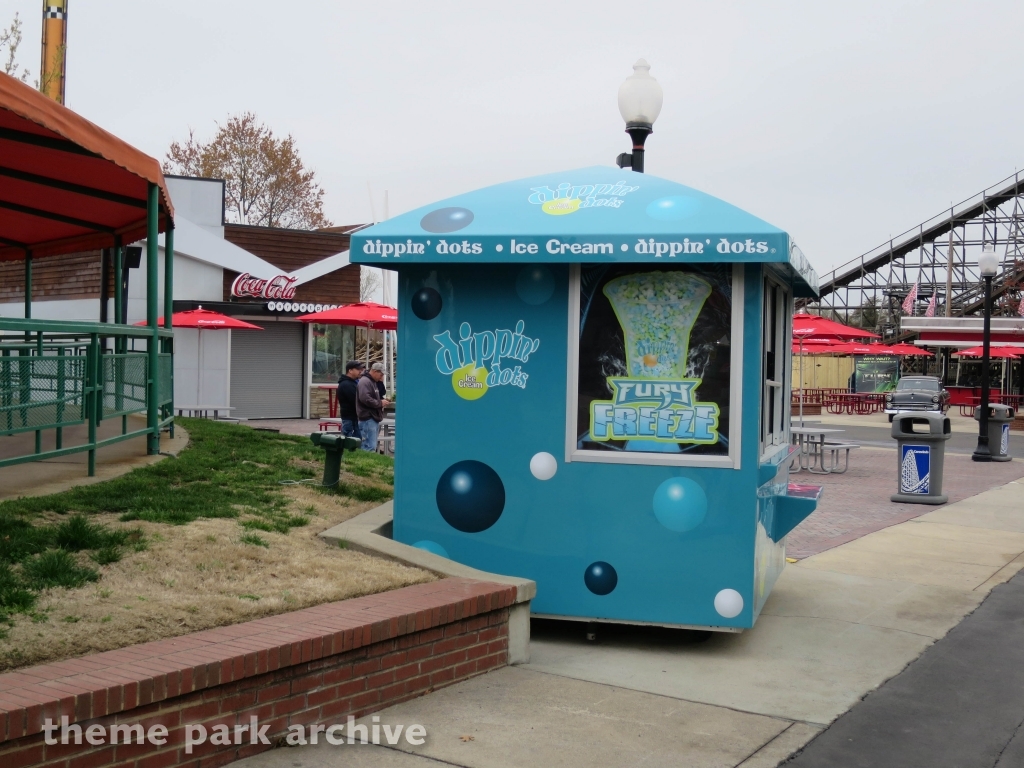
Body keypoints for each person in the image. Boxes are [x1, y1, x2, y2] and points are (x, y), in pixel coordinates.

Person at [357, 362, 391, 451]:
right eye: (381, 374)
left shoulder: (372, 381)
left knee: (371, 445)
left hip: (372, 418)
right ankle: (364, 460)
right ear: (375, 371)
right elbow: (365, 398)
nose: (382, 377)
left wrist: (381, 401)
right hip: (368, 418)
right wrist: (380, 403)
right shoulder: (365, 381)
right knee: (369, 446)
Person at [337, 360, 364, 439]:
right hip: (350, 419)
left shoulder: (352, 383)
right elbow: (356, 401)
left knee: (355, 441)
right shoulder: (347, 384)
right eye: (358, 369)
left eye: (361, 369)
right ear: (350, 370)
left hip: (353, 418)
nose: (360, 371)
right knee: (350, 442)